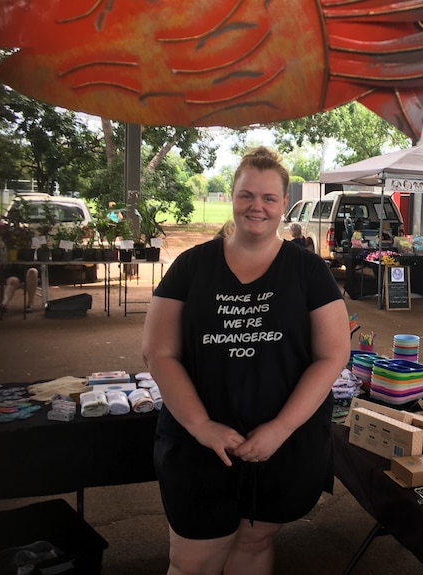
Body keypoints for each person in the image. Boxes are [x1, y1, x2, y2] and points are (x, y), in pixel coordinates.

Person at [141, 146, 350, 575]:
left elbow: (332, 355)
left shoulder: (309, 271)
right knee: (192, 561)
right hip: (200, 448)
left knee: (255, 542)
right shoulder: (191, 266)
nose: (257, 206)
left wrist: (280, 428)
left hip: (281, 446)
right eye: (247, 196)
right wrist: (202, 426)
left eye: (269, 198)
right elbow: (158, 353)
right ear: (232, 198)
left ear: (284, 204)